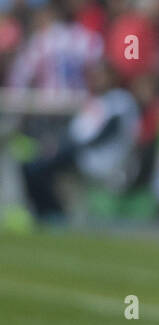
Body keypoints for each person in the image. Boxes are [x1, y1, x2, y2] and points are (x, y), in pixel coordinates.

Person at [22, 60, 140, 220]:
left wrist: (71, 147)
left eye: (101, 75)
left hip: (98, 159)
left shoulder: (120, 100)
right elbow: (74, 132)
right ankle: (46, 212)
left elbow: (107, 133)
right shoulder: (95, 102)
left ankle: (53, 213)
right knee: (31, 166)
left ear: (112, 77)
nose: (97, 79)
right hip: (79, 153)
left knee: (38, 168)